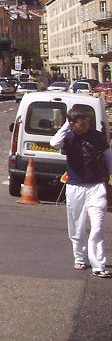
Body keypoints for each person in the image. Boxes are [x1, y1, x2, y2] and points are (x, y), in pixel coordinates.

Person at [50, 106, 112, 277]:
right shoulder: (68, 137)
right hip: (75, 187)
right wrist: (66, 126)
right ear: (73, 124)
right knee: (77, 226)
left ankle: (98, 265)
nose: (86, 126)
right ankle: (80, 258)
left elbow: (108, 155)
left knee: (98, 226)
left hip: (96, 186)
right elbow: (54, 143)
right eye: (82, 124)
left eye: (88, 123)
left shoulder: (96, 136)